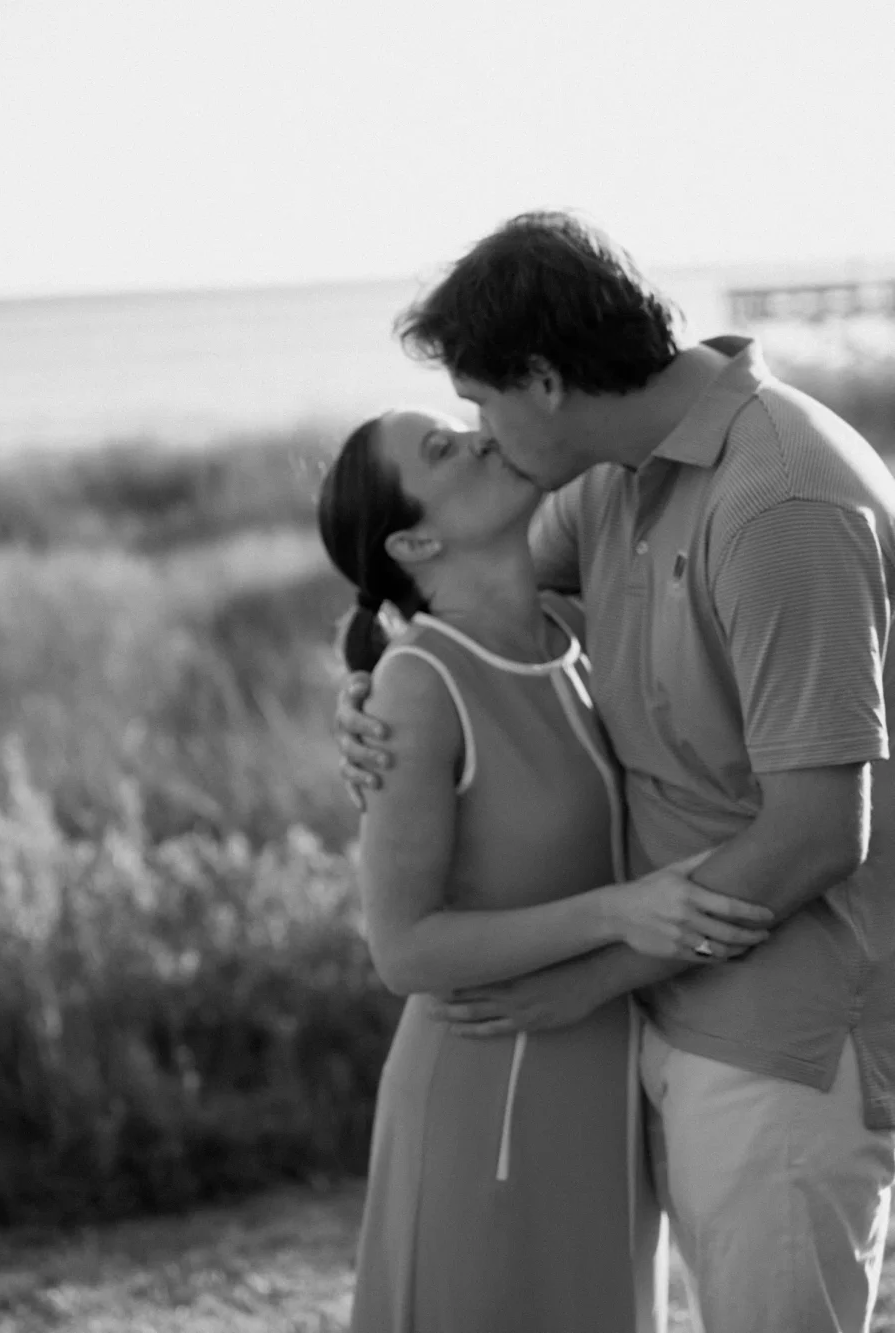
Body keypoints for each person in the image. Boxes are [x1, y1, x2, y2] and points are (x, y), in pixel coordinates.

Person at [336, 212, 895, 1333]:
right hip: (670, 1022)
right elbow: (465, 610)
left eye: (481, 404)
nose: (482, 434)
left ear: (543, 380)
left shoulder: (779, 498)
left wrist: (597, 974)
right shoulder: (615, 484)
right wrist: (365, 686)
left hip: (783, 1045)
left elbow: (819, 831)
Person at [317, 407, 771, 1333]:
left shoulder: (573, 635)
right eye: (442, 450)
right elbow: (403, 949)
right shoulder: (419, 684)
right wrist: (618, 914)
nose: (480, 436)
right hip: (486, 1081)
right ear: (415, 538)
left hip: (602, 1083)